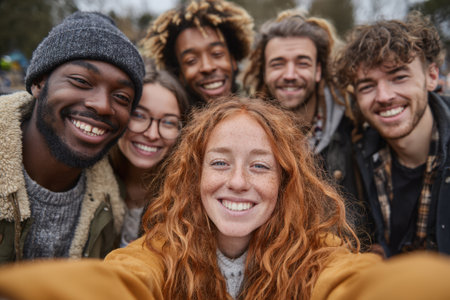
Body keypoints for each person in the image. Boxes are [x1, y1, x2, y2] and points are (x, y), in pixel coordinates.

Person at [1, 97, 450, 300]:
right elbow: (125, 282)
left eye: (260, 166)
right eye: (219, 163)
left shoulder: (318, 255)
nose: (237, 182)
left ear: (286, 182)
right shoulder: (159, 251)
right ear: (193, 177)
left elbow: (354, 283)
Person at [0, 11, 145, 263]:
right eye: (81, 81)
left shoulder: (113, 207)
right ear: (38, 83)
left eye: (122, 97)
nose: (102, 105)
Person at [241, 11, 368, 244]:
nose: (290, 75)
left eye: (302, 63)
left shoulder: (355, 125)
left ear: (318, 70)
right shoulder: (247, 133)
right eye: (278, 63)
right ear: (264, 71)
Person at [334, 12, 449, 257]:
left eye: (399, 77)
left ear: (431, 77)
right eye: (367, 85)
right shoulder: (358, 156)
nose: (384, 96)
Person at [109, 62, 189, 247]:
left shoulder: (185, 199)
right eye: (139, 115)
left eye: (168, 123)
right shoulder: (85, 178)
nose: (152, 134)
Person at [140, 0, 254, 105]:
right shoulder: (168, 123)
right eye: (191, 60)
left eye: (217, 54)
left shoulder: (260, 118)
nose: (207, 67)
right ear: (180, 74)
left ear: (233, 60)